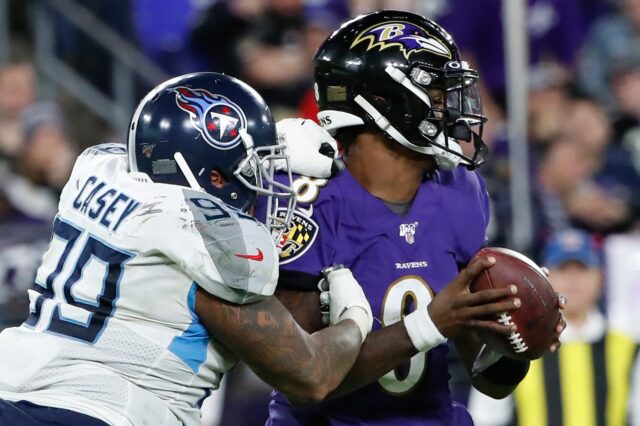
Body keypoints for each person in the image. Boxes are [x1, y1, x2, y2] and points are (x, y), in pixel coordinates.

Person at [0, 72, 376, 426]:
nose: (259, 185)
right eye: (252, 170)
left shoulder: (102, 169)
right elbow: (310, 376)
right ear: (213, 176)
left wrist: (266, 140)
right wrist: (355, 319)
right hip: (103, 411)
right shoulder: (206, 242)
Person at [264, 10, 565, 426]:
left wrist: (517, 341)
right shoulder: (308, 196)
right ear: (383, 102)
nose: (453, 112)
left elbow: (489, 381)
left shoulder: (458, 190)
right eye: (438, 98)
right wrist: (429, 324)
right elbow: (302, 380)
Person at [468, 229, 638, 426]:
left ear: (600, 277)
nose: (573, 280)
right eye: (563, 270)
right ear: (543, 279)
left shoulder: (627, 346)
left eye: (582, 270)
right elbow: (483, 419)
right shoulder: (514, 344)